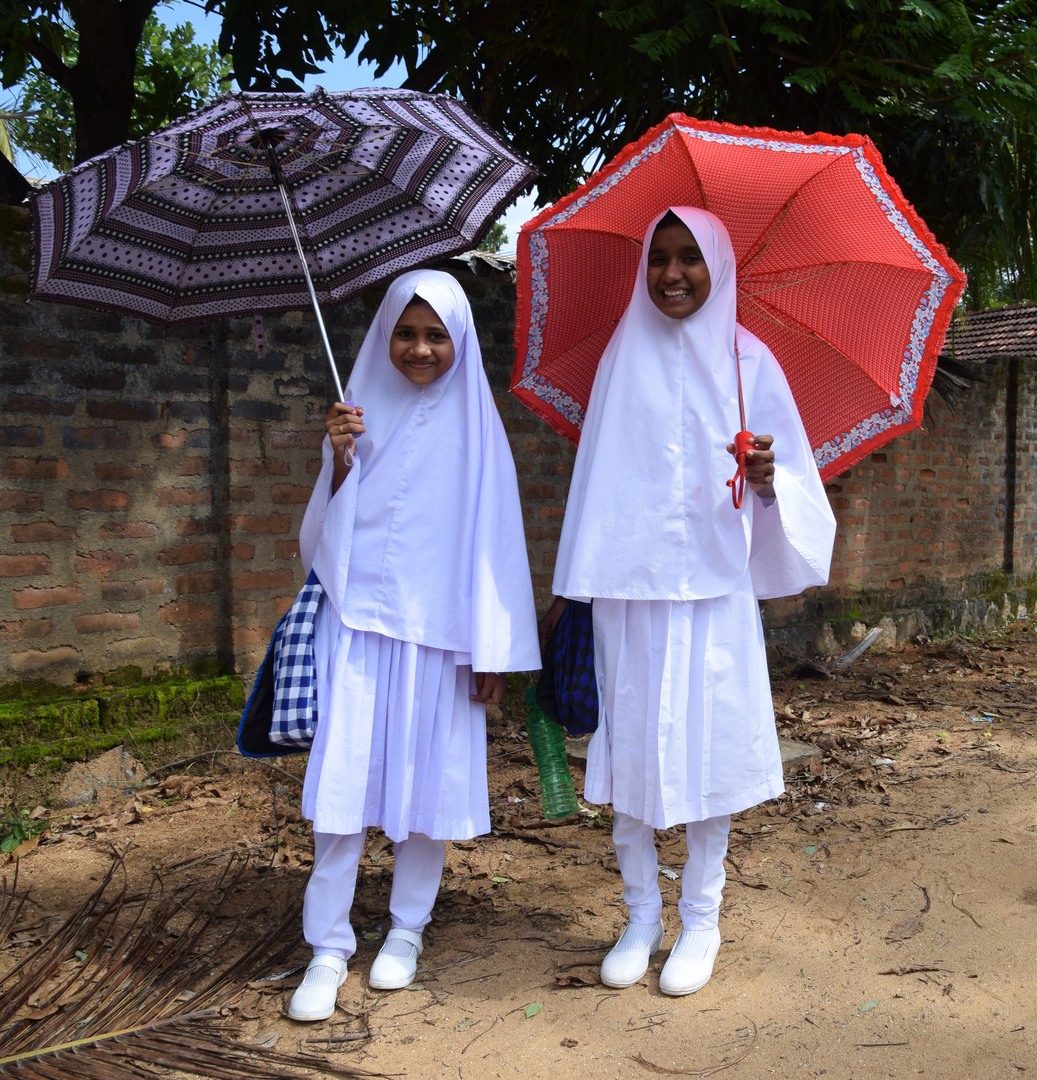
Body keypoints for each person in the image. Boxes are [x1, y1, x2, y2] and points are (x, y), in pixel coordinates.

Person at [544, 207, 836, 997]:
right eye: (658, 259)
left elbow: (799, 487)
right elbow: (598, 482)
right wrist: (581, 584)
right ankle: (640, 914)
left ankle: (700, 918)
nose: (671, 274)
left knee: (710, 754)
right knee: (632, 754)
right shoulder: (620, 356)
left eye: (688, 259)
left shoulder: (751, 365)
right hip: (630, 596)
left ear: (718, 266)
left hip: (713, 597)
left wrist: (772, 482)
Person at [287, 271, 541, 1021]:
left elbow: (496, 544)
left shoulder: (477, 430)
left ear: (459, 339)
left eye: (436, 334)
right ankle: (327, 946)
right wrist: (338, 461)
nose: (421, 349)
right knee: (341, 791)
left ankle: (406, 930)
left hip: (440, 637)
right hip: (359, 626)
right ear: (384, 335)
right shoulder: (356, 417)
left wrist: (491, 648)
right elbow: (317, 545)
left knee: (426, 791)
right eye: (406, 332)